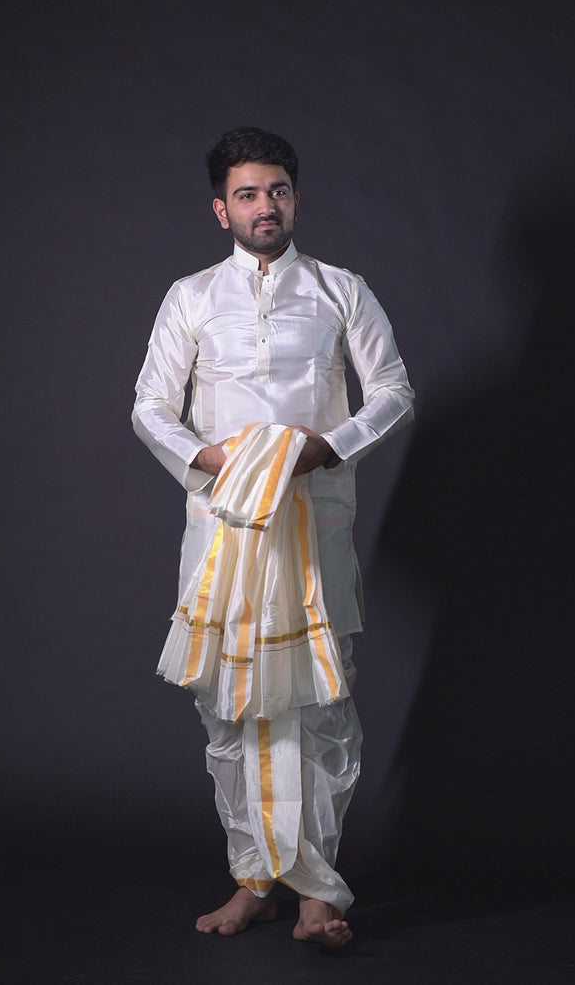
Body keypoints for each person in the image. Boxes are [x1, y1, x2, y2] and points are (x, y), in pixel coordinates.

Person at [132, 126, 414, 947]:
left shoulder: (340, 290)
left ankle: (318, 890)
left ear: (295, 198)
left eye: (279, 191)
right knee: (229, 704)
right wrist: (208, 458)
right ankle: (254, 878)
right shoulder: (191, 297)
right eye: (248, 194)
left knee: (318, 702)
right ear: (221, 209)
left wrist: (329, 446)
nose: (266, 206)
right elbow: (151, 406)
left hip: (312, 524)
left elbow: (392, 391)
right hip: (224, 528)